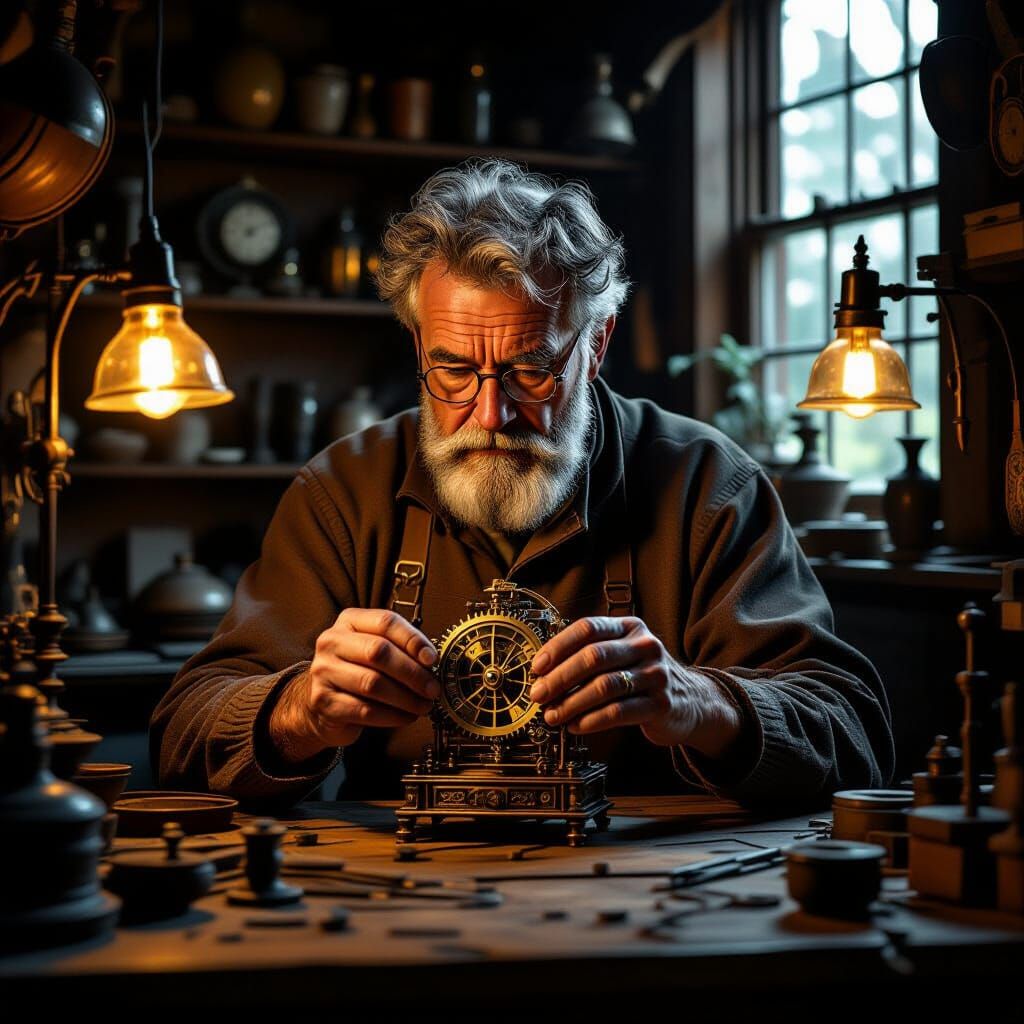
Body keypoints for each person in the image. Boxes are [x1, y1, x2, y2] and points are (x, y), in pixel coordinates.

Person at [150, 159, 894, 808]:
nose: (490, 413)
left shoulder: (708, 487)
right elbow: (184, 728)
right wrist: (297, 711)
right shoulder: (344, 492)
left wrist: (701, 703)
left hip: (645, 896)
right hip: (402, 899)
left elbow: (853, 733)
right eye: (453, 370)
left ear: (596, 344)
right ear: (417, 343)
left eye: (531, 370)